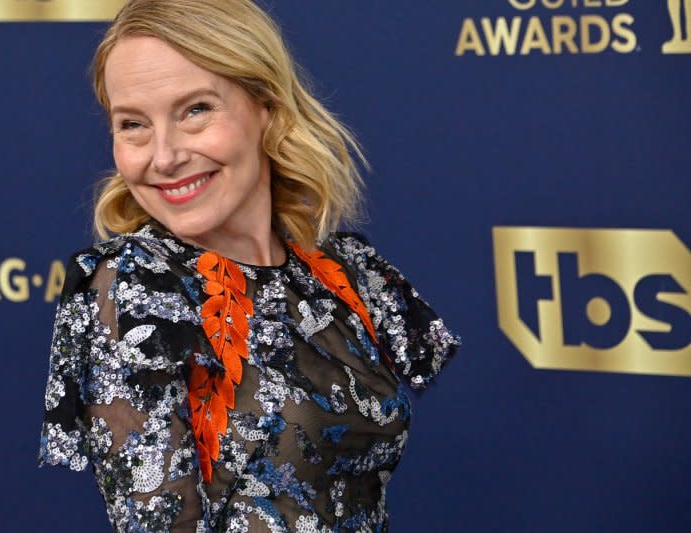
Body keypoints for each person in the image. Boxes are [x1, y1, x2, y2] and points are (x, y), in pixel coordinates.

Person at [37, 0, 460, 531]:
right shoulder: (136, 286)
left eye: (195, 110)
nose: (164, 156)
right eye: (133, 124)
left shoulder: (349, 274)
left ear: (268, 107)